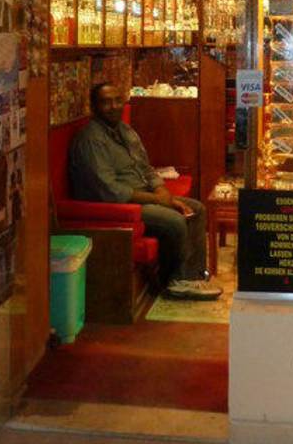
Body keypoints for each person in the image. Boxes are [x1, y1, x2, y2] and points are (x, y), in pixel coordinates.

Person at [70, 83, 222, 300]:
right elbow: (110, 191)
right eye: (106, 102)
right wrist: (159, 200)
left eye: (117, 100)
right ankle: (175, 281)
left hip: (143, 196)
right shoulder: (91, 140)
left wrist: (162, 191)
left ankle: (194, 276)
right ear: (94, 107)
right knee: (174, 220)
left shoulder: (125, 130)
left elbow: (146, 168)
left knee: (196, 209)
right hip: (117, 206)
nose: (113, 106)